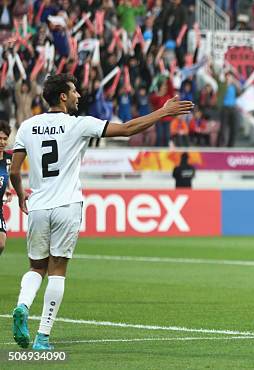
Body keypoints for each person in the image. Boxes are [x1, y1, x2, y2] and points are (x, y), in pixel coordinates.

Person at [10, 73, 193, 350]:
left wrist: (22, 195)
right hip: (67, 205)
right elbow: (129, 129)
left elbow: (14, 170)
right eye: (74, 92)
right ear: (63, 96)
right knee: (58, 269)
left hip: (38, 205)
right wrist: (163, 112)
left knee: (37, 267)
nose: (78, 96)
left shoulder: (27, 126)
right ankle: (42, 337)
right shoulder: (80, 124)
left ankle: (23, 305)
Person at [0, 120, 13, 256]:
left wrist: (8, 188)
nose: (2, 142)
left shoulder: (8, 158)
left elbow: (6, 174)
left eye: (5, 139)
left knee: (1, 243)